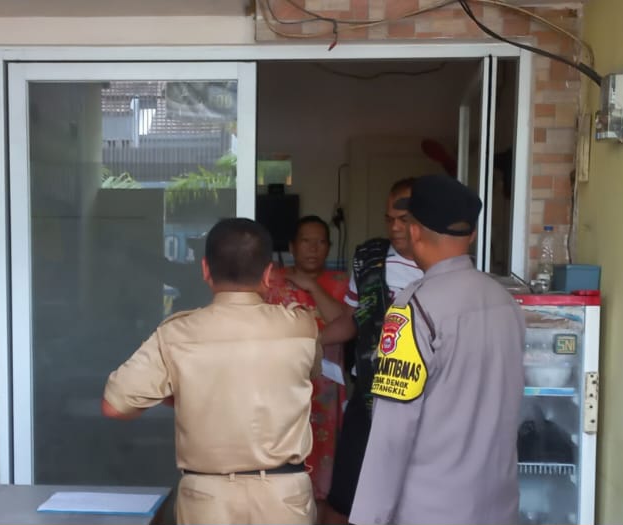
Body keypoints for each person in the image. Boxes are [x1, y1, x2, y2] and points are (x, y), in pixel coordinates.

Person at [102, 218, 321, 525]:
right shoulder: (302, 327)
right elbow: (306, 376)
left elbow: (114, 406)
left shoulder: (176, 333)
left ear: (205, 270)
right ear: (268, 274)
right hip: (284, 498)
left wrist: (185, 392)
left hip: (207, 499)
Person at [350, 174, 524, 524]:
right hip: (497, 505)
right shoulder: (504, 301)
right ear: (471, 235)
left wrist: (367, 518)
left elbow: (392, 431)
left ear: (414, 232)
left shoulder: (413, 309)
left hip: (432, 509)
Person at [319, 178, 422, 523]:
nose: (395, 227)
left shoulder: (441, 268)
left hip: (418, 402)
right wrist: (309, 342)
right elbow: (352, 319)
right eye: (389, 219)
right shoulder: (369, 259)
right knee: (344, 497)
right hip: (368, 396)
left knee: (408, 498)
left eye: (404, 219)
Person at [265, 216, 349, 513]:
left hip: (325, 387)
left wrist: (312, 286)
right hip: (281, 383)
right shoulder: (272, 280)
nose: (313, 248)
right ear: (292, 246)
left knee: (324, 459)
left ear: (329, 247)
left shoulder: (340, 282)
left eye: (321, 242)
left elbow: (345, 322)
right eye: (306, 241)